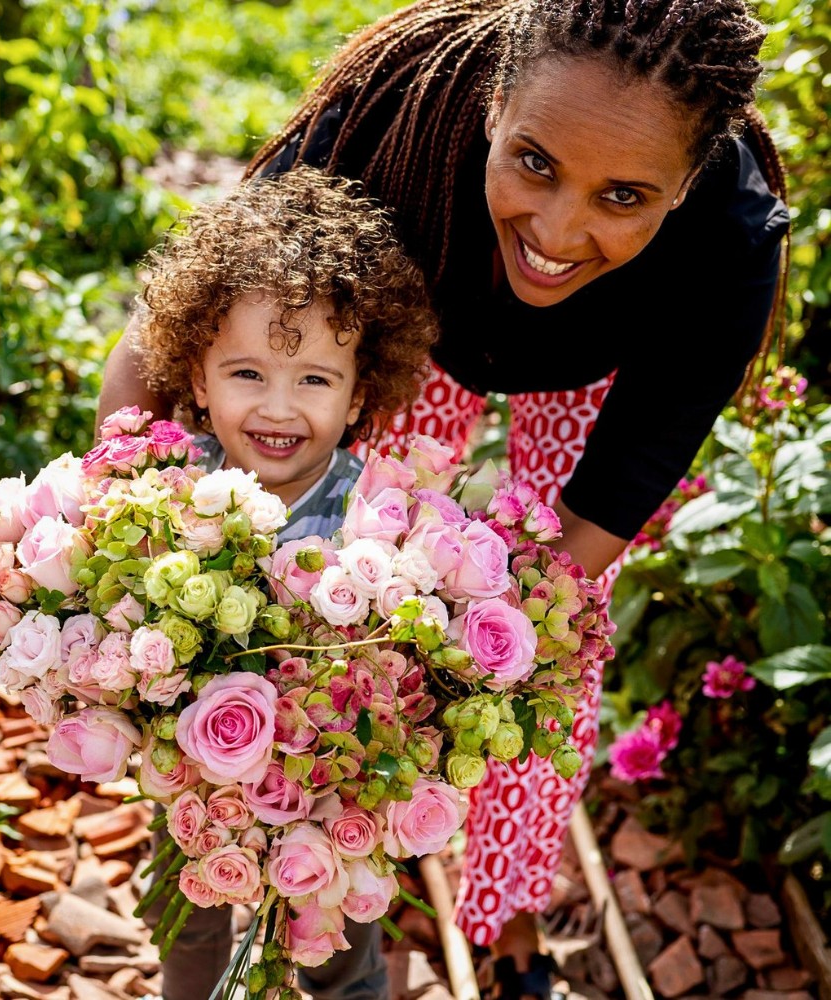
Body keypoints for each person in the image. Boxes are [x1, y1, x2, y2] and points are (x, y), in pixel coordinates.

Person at [98, 1, 791, 997]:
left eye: (624, 194)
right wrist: (126, 512)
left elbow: (633, 465)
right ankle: (332, 848)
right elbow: (175, 332)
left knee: (539, 656)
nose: (556, 229)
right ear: (496, 103)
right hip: (411, 327)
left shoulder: (727, 236)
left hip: (597, 377)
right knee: (324, 601)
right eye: (535, 163)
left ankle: (502, 910)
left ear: (684, 183)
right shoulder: (395, 121)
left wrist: (492, 639)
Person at [124, 164, 440, 1000]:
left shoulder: (378, 515)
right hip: (195, 771)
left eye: (313, 380)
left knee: (337, 933)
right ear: (196, 378)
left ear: (359, 393)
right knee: (189, 928)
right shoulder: (169, 498)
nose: (277, 407)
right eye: (247, 373)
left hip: (335, 784)